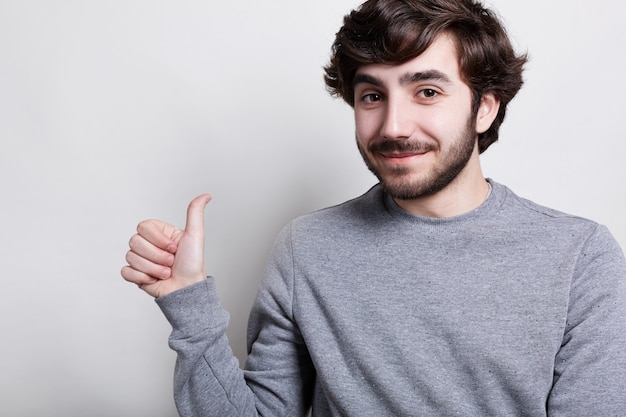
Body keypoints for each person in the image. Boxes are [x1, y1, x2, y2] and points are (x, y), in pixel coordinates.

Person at [121, 0, 626, 415]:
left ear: (485, 107)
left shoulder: (580, 257)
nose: (393, 126)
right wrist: (190, 307)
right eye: (371, 96)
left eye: (427, 91)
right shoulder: (306, 248)